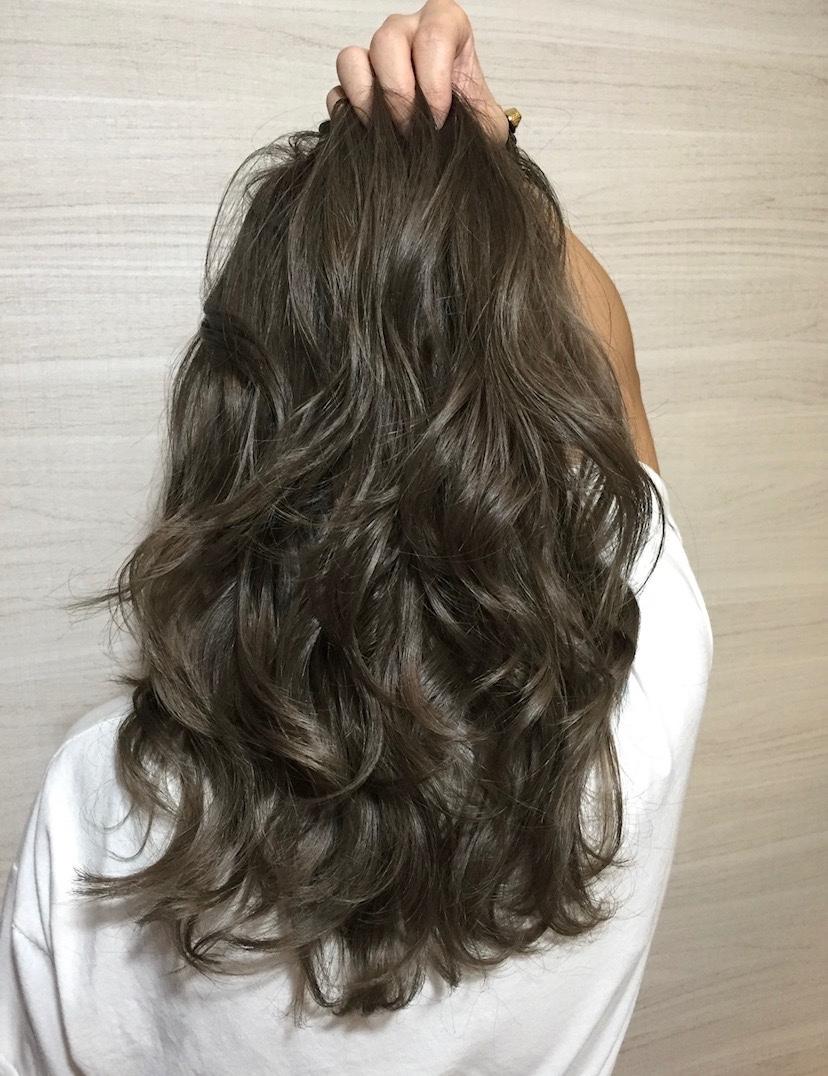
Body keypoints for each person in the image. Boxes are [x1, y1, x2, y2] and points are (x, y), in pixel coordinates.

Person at [0, 2, 713, 1073]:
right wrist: (487, 161)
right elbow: (617, 367)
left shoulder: (109, 813)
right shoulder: (642, 680)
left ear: (236, 415)